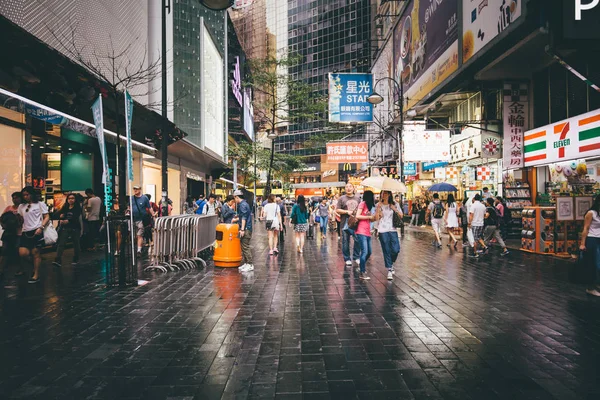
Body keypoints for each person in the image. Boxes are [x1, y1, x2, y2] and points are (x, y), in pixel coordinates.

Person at [18, 186, 50, 284]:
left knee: (36, 253)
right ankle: (34, 266)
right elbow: (20, 219)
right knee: (23, 253)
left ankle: (36, 274)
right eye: (24, 195)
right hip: (25, 231)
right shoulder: (21, 206)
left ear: (32, 194)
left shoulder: (40, 204)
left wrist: (41, 227)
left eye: (27, 194)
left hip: (37, 230)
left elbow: (46, 216)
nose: (25, 197)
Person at [375, 190, 402, 280]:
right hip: (382, 229)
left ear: (390, 194)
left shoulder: (395, 204)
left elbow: (401, 215)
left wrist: (394, 209)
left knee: (396, 249)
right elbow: (376, 218)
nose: (384, 195)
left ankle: (391, 262)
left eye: (386, 193)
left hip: (392, 229)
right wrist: (378, 210)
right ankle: (389, 269)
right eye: (383, 193)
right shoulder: (378, 205)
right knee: (386, 249)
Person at [53, 193, 83, 267]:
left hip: (75, 227)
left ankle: (76, 258)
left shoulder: (77, 207)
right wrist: (61, 217)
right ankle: (58, 259)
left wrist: (68, 221)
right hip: (65, 227)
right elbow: (60, 213)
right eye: (69, 198)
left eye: (72, 198)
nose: (71, 200)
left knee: (76, 243)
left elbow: (76, 216)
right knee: (61, 243)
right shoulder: (65, 206)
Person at [336, 183, 362, 266]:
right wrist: (347, 212)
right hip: (345, 222)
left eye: (350, 186)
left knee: (357, 239)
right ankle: (347, 258)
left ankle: (356, 256)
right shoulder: (341, 198)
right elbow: (337, 210)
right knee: (345, 241)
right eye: (346, 187)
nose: (348, 188)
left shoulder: (358, 198)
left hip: (356, 222)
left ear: (353, 188)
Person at [580, 196, 600, 296]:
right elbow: (586, 228)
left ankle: (596, 284)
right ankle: (591, 286)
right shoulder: (591, 213)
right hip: (592, 239)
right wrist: (582, 243)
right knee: (595, 263)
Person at [0, 192, 23, 280]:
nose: (15, 200)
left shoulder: (23, 208)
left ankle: (21, 268)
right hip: (8, 233)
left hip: (19, 233)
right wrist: (4, 225)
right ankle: (1, 269)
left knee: (18, 252)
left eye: (17, 198)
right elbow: (2, 218)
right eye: (13, 198)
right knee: (4, 251)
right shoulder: (8, 208)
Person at [355, 190, 376, 280]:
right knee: (365, 252)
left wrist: (375, 217)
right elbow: (357, 216)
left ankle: (361, 264)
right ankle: (362, 272)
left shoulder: (370, 206)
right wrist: (369, 217)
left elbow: (370, 219)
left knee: (369, 252)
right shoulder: (362, 204)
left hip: (367, 231)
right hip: (361, 230)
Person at [234, 190, 253, 272]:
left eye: (234, 198)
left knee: (245, 247)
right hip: (246, 228)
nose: (234, 200)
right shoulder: (244, 204)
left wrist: (242, 229)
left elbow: (244, 218)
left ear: (237, 197)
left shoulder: (242, 205)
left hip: (246, 229)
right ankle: (246, 263)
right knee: (243, 246)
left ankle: (250, 264)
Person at [132, 185, 153, 256]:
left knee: (139, 235)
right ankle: (138, 247)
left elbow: (149, 208)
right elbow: (129, 207)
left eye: (137, 189)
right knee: (135, 235)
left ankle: (139, 250)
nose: (135, 190)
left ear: (140, 189)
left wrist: (153, 215)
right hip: (133, 219)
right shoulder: (131, 198)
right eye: (134, 189)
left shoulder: (144, 198)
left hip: (141, 219)